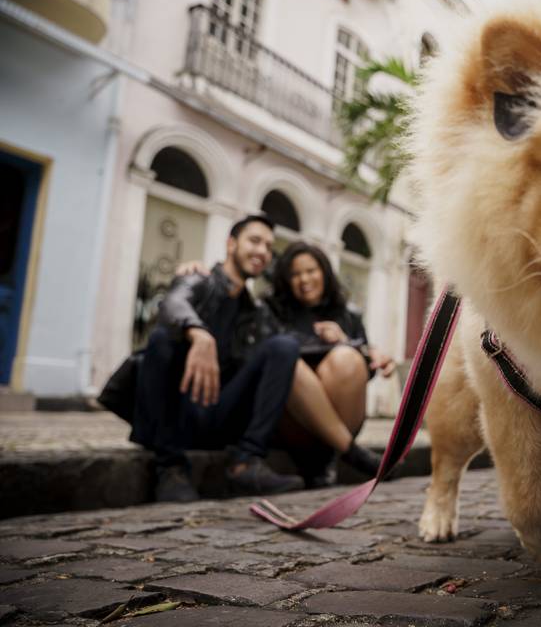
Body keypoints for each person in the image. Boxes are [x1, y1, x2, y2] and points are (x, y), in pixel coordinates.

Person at [130, 214, 305, 502]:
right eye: (255, 241)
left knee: (284, 346)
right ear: (231, 244)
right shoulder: (198, 278)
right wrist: (198, 332)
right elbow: (172, 303)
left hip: (222, 413)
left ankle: (246, 462)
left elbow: (296, 344)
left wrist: (356, 346)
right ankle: (169, 467)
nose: (263, 251)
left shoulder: (257, 311)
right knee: (161, 338)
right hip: (177, 410)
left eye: (269, 247)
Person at [269, 242, 395, 486]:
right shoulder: (274, 311)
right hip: (292, 419)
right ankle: (349, 452)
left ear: (324, 272)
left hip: (344, 414)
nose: (304, 279)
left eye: (311, 271)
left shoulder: (348, 314)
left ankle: (328, 454)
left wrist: (351, 346)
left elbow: (360, 376)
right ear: (286, 279)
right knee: (290, 365)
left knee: (346, 358)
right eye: (295, 274)